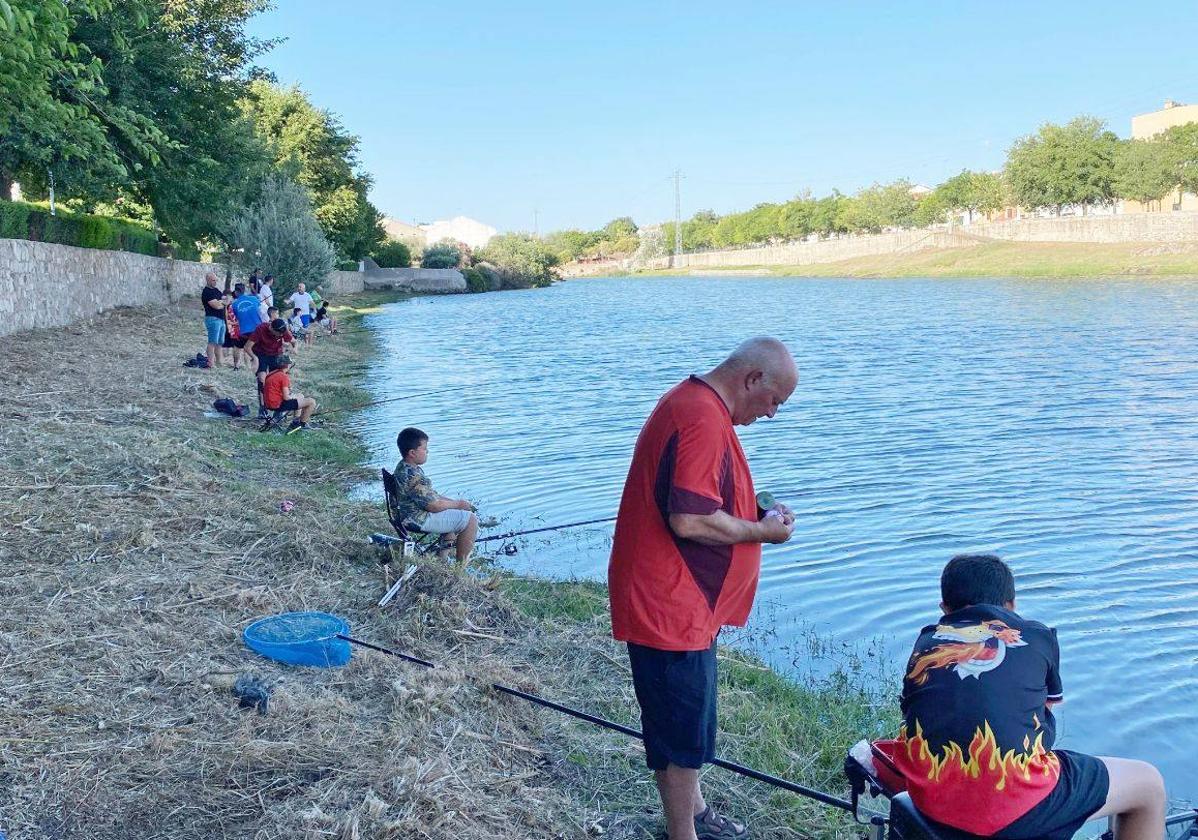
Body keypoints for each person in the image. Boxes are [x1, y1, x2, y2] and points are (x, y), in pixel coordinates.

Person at [607, 337, 798, 840]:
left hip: (688, 606)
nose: (773, 414)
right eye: (776, 401)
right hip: (669, 604)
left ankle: (694, 812)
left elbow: (704, 496)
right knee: (680, 728)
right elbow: (690, 519)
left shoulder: (701, 408)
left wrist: (755, 512)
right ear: (753, 379)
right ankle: (681, 834)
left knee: (693, 719)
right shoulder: (699, 417)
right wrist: (764, 532)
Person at [889, 554, 1165, 840]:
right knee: (1148, 784)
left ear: (944, 609)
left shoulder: (925, 642)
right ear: (1011, 605)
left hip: (933, 801)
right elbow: (1041, 717)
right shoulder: (1038, 635)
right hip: (1015, 804)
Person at [394, 427, 478, 563]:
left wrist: (456, 505)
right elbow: (433, 505)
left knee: (453, 512)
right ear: (412, 453)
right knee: (471, 520)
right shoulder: (412, 476)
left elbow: (431, 496)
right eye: (424, 448)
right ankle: (461, 568)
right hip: (415, 519)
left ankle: (442, 559)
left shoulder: (403, 467)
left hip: (404, 515)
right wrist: (459, 504)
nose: (427, 451)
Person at [244, 317, 295, 419]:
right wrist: (254, 358)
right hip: (261, 353)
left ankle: (279, 409)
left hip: (277, 354)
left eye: (282, 334)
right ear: (272, 328)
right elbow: (247, 347)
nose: (281, 336)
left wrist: (293, 350)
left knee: (280, 379)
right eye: (279, 334)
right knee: (262, 380)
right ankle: (262, 408)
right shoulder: (261, 328)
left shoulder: (283, 330)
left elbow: (294, 342)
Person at [261, 355, 315, 433]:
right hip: (278, 405)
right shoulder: (283, 376)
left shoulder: (271, 373)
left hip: (268, 404)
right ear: (288, 365)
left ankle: (295, 421)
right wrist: (293, 396)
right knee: (311, 402)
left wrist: (294, 396)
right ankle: (301, 425)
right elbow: (286, 397)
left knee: (300, 396)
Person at [231, 283, 263, 368]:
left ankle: (236, 366)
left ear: (236, 292)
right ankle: (256, 366)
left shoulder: (234, 304)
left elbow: (236, 316)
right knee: (256, 348)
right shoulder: (254, 298)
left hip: (244, 331)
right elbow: (260, 306)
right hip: (258, 329)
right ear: (244, 290)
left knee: (237, 347)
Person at [200, 273, 226, 369]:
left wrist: (221, 302)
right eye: (213, 280)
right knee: (212, 342)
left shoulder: (216, 291)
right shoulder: (207, 292)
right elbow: (216, 306)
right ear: (208, 280)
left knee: (219, 343)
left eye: (216, 280)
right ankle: (211, 363)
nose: (215, 282)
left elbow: (225, 301)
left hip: (221, 319)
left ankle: (219, 362)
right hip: (213, 319)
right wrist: (222, 303)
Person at [220, 290, 246, 370]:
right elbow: (225, 318)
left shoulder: (232, 305)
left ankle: (235, 365)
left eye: (229, 297)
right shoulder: (225, 305)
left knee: (234, 347)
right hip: (230, 329)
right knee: (230, 347)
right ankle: (226, 363)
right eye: (226, 297)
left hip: (232, 329)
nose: (228, 299)